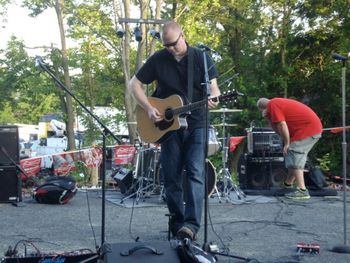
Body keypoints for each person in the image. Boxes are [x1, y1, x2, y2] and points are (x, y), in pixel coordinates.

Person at [129, 21, 220, 240]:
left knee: (196, 174)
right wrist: (149, 108)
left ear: (183, 35)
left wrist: (214, 96)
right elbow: (134, 84)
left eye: (173, 44)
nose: (170, 49)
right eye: (166, 45)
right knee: (170, 177)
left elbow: (214, 88)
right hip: (169, 126)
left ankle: (191, 226)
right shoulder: (159, 58)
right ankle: (177, 222)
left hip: (197, 122)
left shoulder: (201, 57)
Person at [256, 97, 322, 200]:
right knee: (291, 155)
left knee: (294, 152)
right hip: (310, 129)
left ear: (263, 108)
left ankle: (302, 190)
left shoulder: (273, 104)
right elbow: (278, 129)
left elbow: (282, 124)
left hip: (309, 129)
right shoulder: (275, 105)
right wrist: (269, 118)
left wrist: (287, 143)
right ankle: (288, 184)